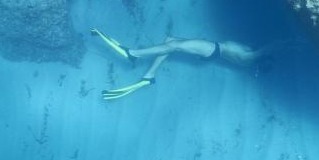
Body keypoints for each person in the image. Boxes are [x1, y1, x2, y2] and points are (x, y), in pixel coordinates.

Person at [90, 28, 272, 100]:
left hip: (212, 49)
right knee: (170, 41)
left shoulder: (251, 57)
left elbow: (265, 50)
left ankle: (133, 54)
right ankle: (149, 76)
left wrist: (284, 44)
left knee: (174, 45)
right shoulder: (249, 58)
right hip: (212, 50)